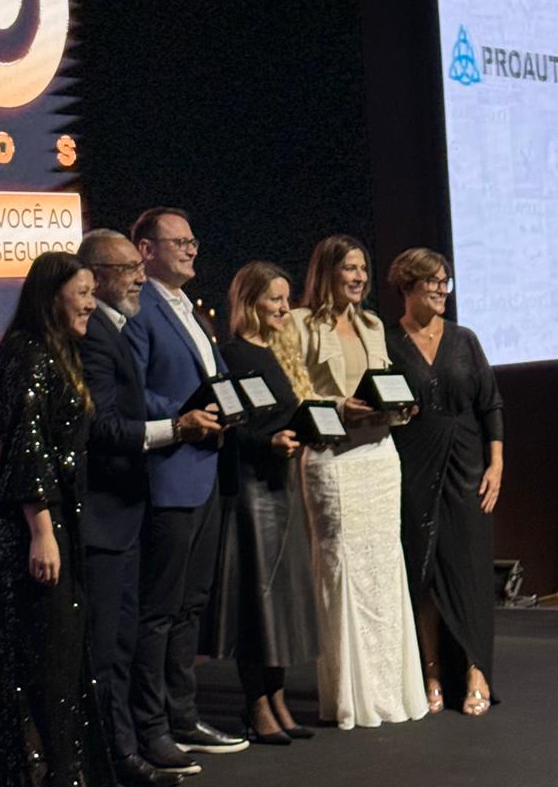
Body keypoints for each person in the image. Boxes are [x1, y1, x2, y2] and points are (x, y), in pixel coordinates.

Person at [78, 229, 219, 787]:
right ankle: (135, 740)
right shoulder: (104, 331)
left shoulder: (131, 320)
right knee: (129, 631)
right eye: (130, 268)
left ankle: (155, 732)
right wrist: (179, 424)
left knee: (167, 615)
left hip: (162, 484)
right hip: (126, 496)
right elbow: (111, 418)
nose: (139, 275)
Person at [125, 207, 249, 774]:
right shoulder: (140, 309)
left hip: (205, 471)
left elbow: (214, 380)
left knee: (191, 605)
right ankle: (150, 727)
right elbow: (132, 393)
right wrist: (184, 414)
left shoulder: (190, 308)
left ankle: (184, 715)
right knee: (159, 609)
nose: (191, 250)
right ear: (145, 250)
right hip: (169, 472)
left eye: (194, 241)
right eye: (179, 242)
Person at [0, 251, 114, 787]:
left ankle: (68, 773)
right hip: (36, 528)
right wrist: (42, 532)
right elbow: (28, 446)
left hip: (62, 522)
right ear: (50, 295)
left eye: (92, 293)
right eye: (82, 293)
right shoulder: (27, 351)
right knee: (43, 665)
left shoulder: (61, 352)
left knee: (63, 661)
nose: (91, 304)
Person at [292, 235, 426, 730]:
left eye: (363, 268)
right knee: (341, 568)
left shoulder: (371, 325)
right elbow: (294, 393)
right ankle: (350, 696)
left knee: (384, 568)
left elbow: (383, 384)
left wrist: (401, 407)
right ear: (327, 271)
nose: (359, 277)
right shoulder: (302, 324)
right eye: (349, 268)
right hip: (333, 460)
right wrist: (338, 406)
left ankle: (390, 690)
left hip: (379, 456)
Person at [386, 247, 504, 717]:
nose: (441, 290)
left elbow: (491, 403)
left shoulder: (464, 339)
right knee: (425, 571)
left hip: (467, 463)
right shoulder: (388, 342)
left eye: (444, 282)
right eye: (432, 282)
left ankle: (477, 670)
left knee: (469, 568)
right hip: (413, 462)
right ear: (408, 285)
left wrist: (496, 464)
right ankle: (431, 672)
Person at [210, 261, 318, 745]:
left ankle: (277, 697)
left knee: (283, 599)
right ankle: (255, 704)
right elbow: (232, 426)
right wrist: (267, 443)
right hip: (252, 490)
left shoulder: (278, 351)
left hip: (283, 486)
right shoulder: (232, 354)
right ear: (250, 300)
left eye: (286, 299)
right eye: (274, 298)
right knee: (258, 599)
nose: (283, 307)